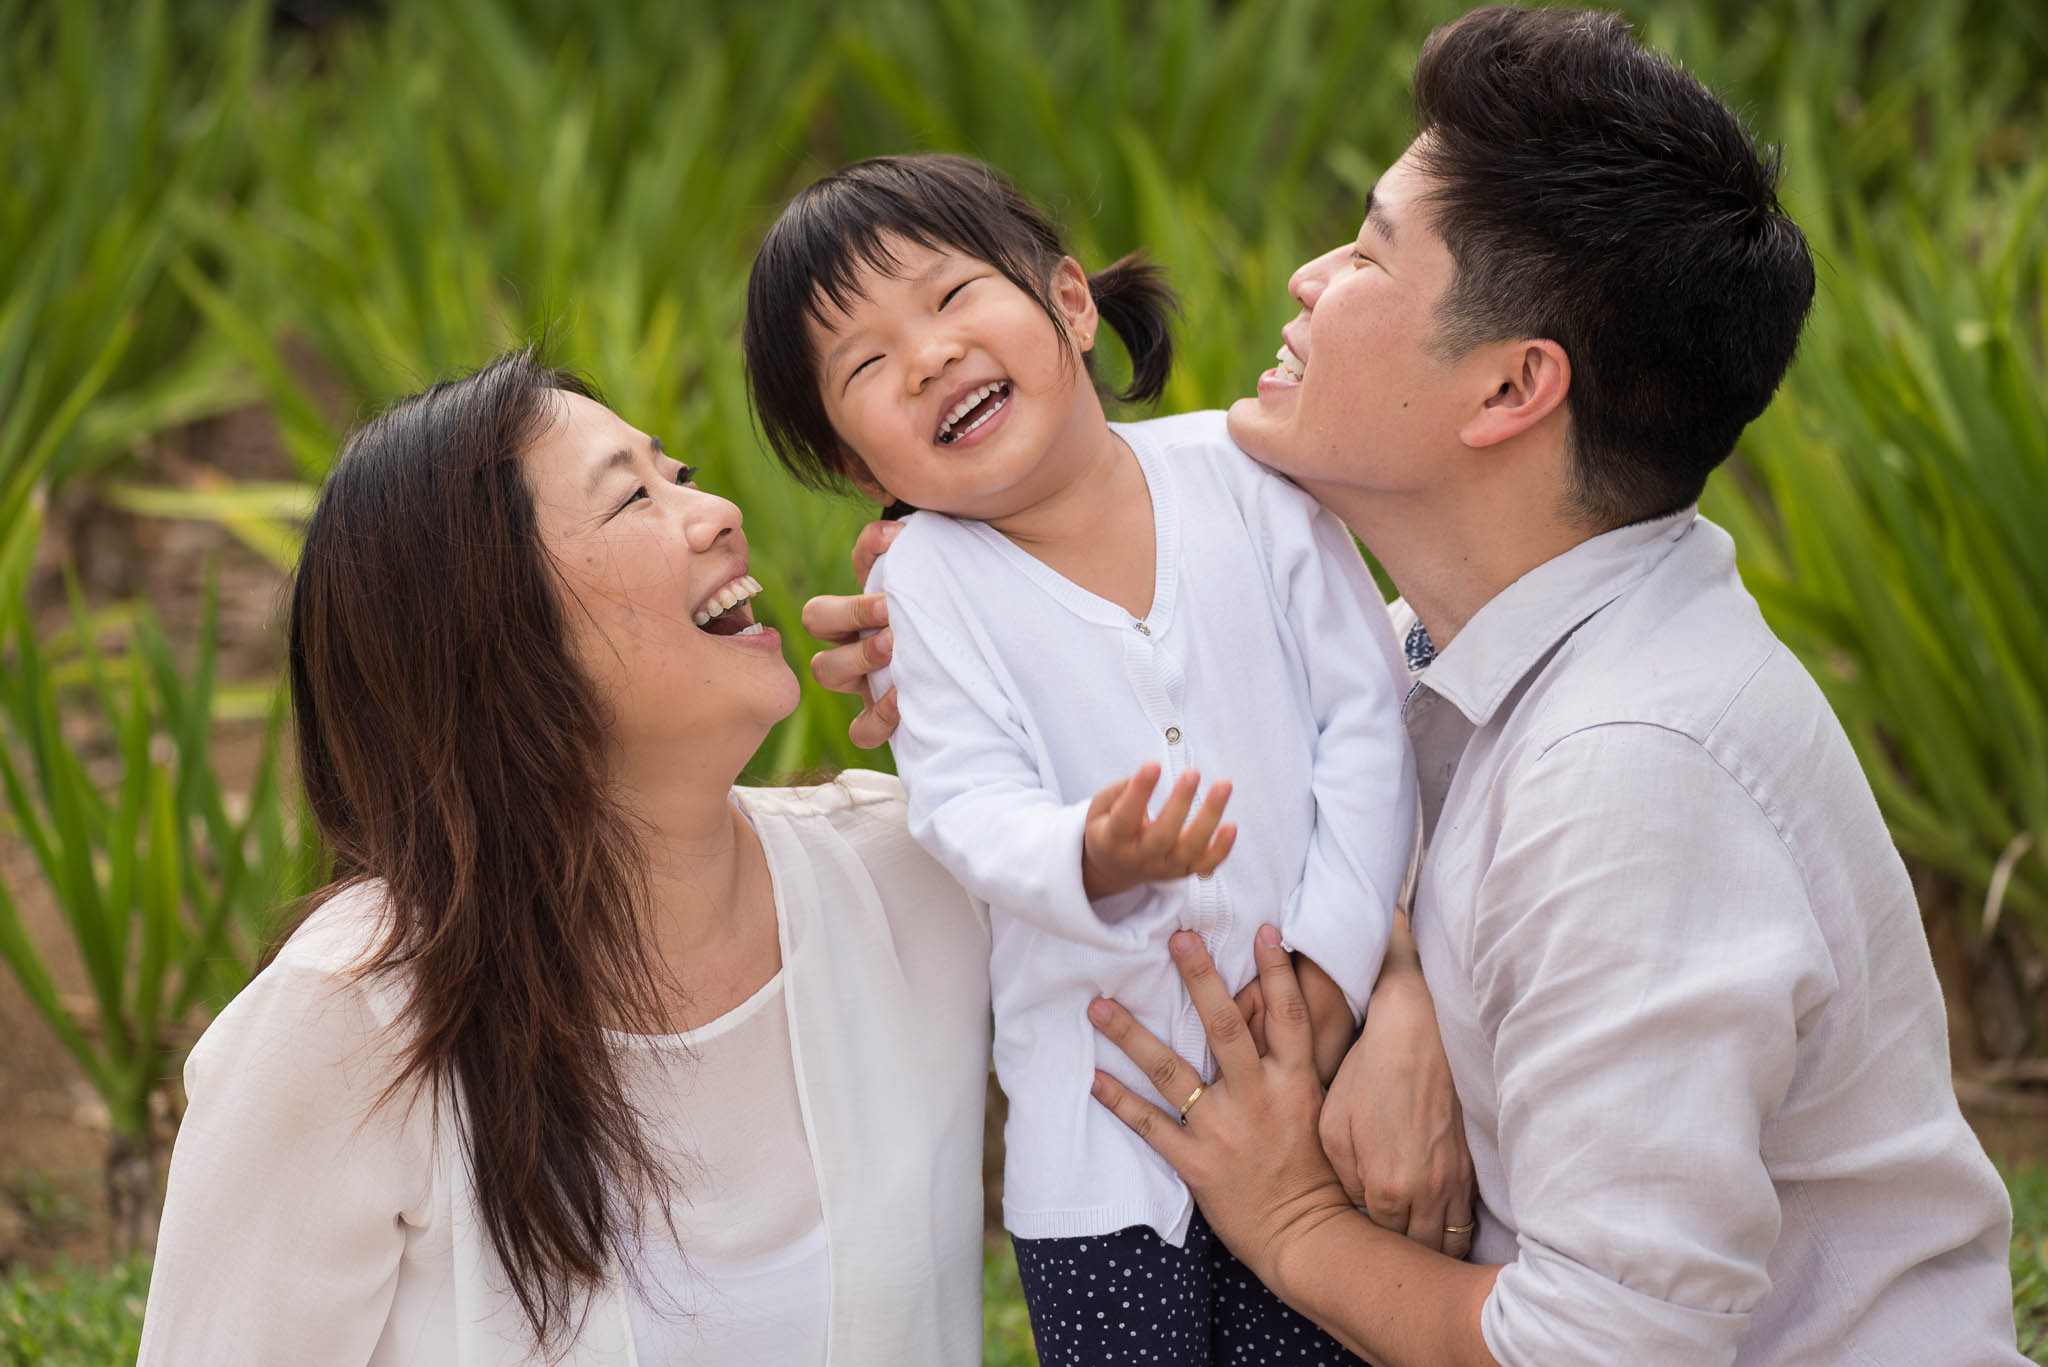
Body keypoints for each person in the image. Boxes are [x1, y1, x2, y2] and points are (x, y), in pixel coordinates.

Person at [803, 7, 2028, 1366]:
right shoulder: (1479, 634)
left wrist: (1290, 1222)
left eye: (1373, 249)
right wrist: (1397, 979)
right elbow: (1337, 757)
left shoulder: (1634, 776)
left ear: (1511, 386)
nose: (1313, 276)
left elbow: (1598, 1350)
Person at [136, 351, 993, 1366]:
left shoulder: (916, 873)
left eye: (675, 473)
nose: (715, 510)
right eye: (633, 496)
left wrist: (1001, 671)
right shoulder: (352, 1018)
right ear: (489, 634)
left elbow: (1196, 829)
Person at [743, 153, 1418, 1365]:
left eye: (950, 299)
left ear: (1067, 302)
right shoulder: (926, 586)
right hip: (1105, 1152)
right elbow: (963, 803)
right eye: (865, 363)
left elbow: (1365, 729)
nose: (928, 356)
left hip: (1324, 1084)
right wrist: (1088, 852)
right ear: (860, 470)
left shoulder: (1252, 481)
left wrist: (1326, 971)